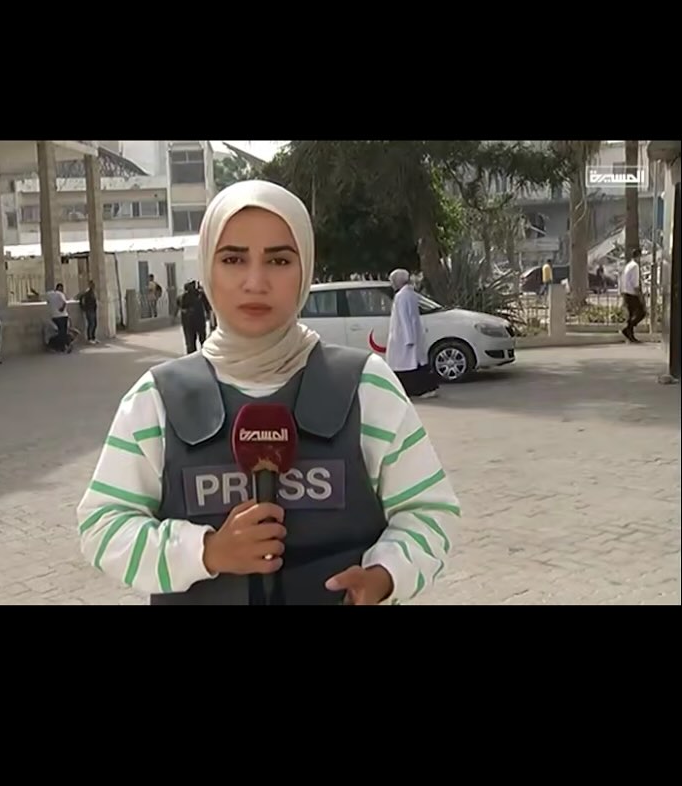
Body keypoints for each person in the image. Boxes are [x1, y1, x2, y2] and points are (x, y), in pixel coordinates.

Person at [75, 180, 460, 605]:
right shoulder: (158, 399)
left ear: (305, 269)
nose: (255, 282)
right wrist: (206, 552)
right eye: (233, 259)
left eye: (279, 260)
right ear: (207, 269)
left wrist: (385, 576)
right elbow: (103, 527)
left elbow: (429, 512)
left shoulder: (367, 386)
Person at [386, 269, 439, 399]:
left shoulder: (402, 296)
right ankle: (423, 389)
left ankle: (419, 390)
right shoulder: (409, 294)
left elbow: (405, 318)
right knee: (414, 363)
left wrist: (408, 338)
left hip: (404, 337)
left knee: (406, 365)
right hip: (409, 336)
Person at [620, 248, 645, 343]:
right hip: (632, 294)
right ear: (639, 256)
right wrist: (640, 296)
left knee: (631, 314)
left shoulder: (628, 266)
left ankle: (630, 335)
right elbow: (635, 283)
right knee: (641, 312)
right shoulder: (635, 266)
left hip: (626, 292)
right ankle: (627, 328)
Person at [176, 281, 207, 354]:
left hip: (190, 322)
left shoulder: (198, 295)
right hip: (195, 321)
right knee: (199, 340)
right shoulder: (199, 295)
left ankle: (194, 355)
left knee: (192, 342)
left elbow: (178, 307)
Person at [77, 280, 99, 344]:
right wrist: (83, 307)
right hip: (89, 310)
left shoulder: (93, 292)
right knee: (91, 324)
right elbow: (81, 298)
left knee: (95, 324)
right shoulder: (87, 293)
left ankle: (93, 337)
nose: (93, 286)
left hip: (93, 310)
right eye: (91, 285)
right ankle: (89, 338)